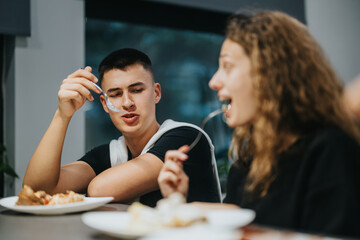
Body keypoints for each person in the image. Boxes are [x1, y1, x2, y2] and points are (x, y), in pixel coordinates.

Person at [157, 11, 360, 238]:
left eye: (227, 66)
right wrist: (179, 204)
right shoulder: (245, 165)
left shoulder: (330, 150)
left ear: (270, 73)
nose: (214, 82)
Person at [23, 48, 221, 207]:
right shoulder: (112, 153)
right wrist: (62, 115)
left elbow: (100, 189)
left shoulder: (186, 137)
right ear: (104, 103)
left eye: (137, 90)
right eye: (116, 94)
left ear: (156, 93)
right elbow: (36, 190)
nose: (127, 103)